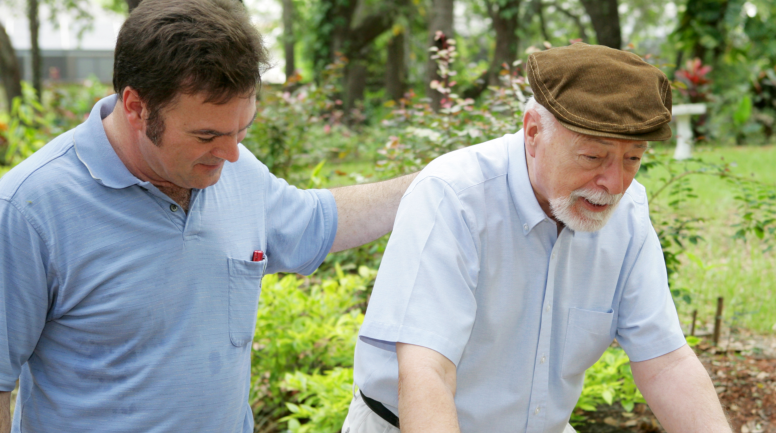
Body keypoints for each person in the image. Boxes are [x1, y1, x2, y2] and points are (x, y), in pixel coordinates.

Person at [0, 0, 416, 431]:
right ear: (136, 107)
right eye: (207, 135)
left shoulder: (236, 168)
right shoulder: (28, 211)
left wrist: (437, 184)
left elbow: (315, 221)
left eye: (242, 129)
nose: (231, 153)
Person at [345, 43, 732, 433]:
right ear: (533, 131)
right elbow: (427, 371)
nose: (614, 184)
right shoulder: (453, 196)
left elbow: (666, 363)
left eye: (633, 158)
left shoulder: (627, 213)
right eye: (593, 157)